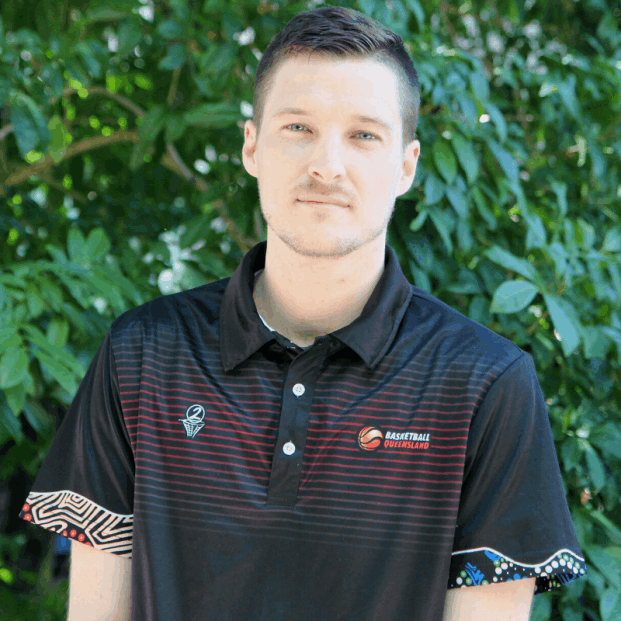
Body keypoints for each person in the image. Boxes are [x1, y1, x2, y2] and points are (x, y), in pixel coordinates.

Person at [19, 5, 587, 621]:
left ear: (406, 165)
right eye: (298, 127)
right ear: (252, 146)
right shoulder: (141, 357)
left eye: (364, 135)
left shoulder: (485, 384)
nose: (327, 164)